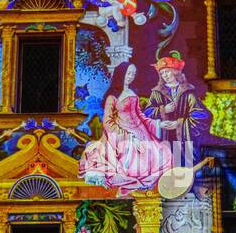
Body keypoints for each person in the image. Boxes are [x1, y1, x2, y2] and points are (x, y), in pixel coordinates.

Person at [79, 62, 172, 191]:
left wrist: (158, 124)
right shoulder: (112, 97)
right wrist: (128, 137)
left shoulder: (132, 93)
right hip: (120, 134)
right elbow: (107, 122)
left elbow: (140, 115)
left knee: (161, 154)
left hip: (142, 132)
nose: (130, 76)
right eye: (128, 73)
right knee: (133, 161)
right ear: (121, 74)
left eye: (133, 74)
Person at [144, 52, 209, 168]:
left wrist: (178, 124)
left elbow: (202, 115)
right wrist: (162, 112)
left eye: (167, 71)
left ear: (175, 71)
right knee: (166, 170)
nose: (165, 75)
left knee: (183, 172)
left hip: (184, 139)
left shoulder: (187, 91)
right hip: (163, 138)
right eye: (162, 73)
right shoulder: (157, 92)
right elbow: (147, 113)